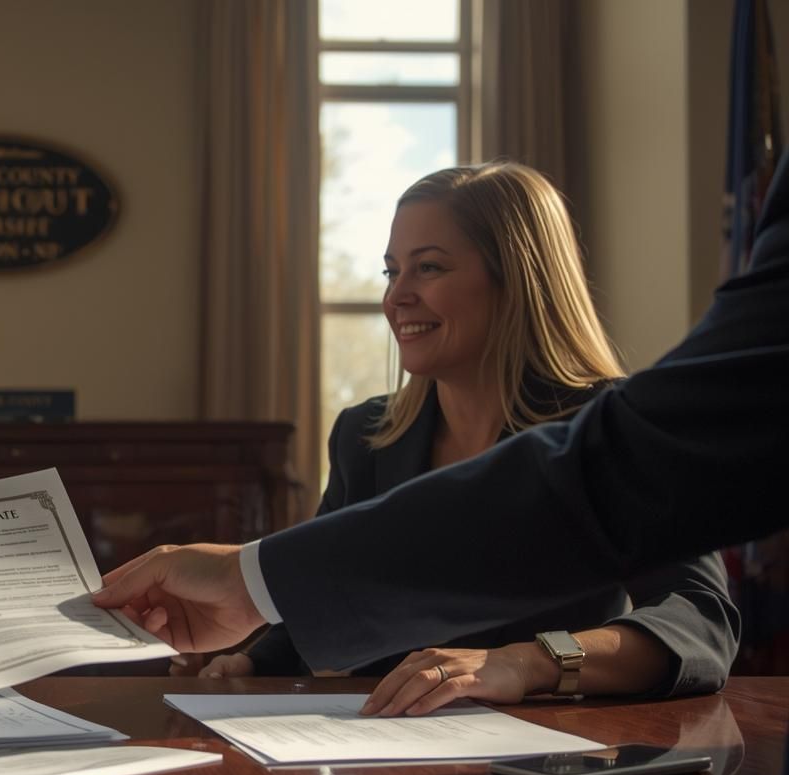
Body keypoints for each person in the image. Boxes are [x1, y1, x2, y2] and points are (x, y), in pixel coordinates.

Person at [94, 149, 789, 715]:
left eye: (428, 268)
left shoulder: (612, 428)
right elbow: (320, 608)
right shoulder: (365, 434)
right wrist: (248, 660)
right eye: (393, 271)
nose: (396, 296)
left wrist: (526, 663)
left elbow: (699, 621)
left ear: (517, 282)